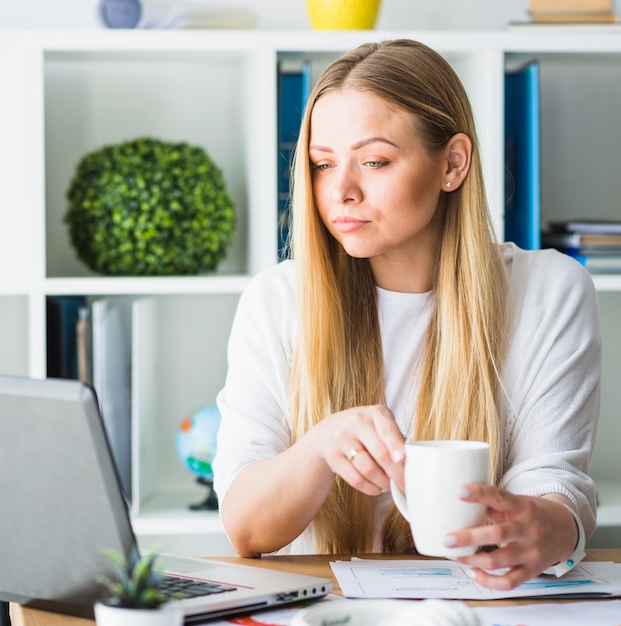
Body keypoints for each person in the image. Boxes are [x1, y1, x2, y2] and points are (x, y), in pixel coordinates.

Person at [212, 39, 601, 591]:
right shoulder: (277, 300)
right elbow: (246, 529)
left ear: (453, 163)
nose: (340, 191)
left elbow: (553, 480)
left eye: (374, 161)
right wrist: (319, 448)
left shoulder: (550, 290)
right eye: (323, 165)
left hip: (486, 606)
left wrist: (552, 525)